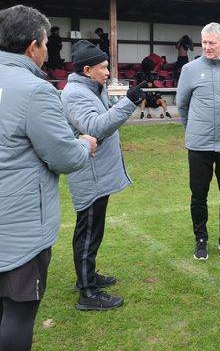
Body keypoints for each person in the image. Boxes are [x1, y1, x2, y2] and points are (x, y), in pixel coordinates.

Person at [0, 5, 97, 351]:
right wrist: (84, 144)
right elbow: (63, 157)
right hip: (17, 226)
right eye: (46, 43)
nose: (48, 50)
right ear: (33, 46)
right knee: (20, 310)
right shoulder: (35, 90)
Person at [61, 40, 145, 311]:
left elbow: (109, 106)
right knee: (88, 232)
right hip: (90, 175)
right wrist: (130, 103)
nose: (108, 72)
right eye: (104, 68)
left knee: (92, 229)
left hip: (97, 173)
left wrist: (126, 93)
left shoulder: (92, 88)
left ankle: (87, 277)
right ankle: (87, 292)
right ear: (87, 70)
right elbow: (94, 127)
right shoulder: (75, 94)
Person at [176, 22, 220, 260]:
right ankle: (201, 239)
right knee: (199, 195)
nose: (207, 47)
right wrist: (195, 129)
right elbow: (182, 105)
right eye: (204, 42)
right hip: (199, 145)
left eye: (212, 43)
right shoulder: (190, 69)